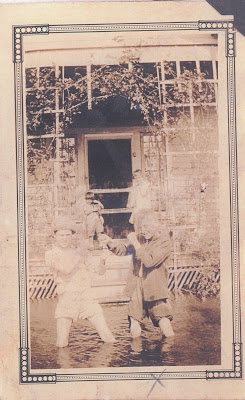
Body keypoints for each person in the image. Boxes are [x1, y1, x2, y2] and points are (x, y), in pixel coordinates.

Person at [45, 218, 115, 347]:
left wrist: (103, 260)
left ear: (72, 236)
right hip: (66, 298)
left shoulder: (80, 252)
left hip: (86, 297)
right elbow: (66, 269)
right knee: (62, 343)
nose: (65, 238)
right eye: (61, 235)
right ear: (54, 236)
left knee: (107, 336)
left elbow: (99, 272)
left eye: (68, 235)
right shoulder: (51, 254)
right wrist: (81, 252)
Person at [108, 209, 174, 339]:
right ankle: (135, 355)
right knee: (134, 319)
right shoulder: (140, 238)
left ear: (156, 224)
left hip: (154, 286)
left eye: (146, 226)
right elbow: (124, 250)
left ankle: (171, 352)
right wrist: (110, 244)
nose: (143, 230)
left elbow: (150, 261)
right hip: (137, 285)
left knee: (163, 320)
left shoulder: (164, 242)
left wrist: (137, 244)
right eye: (140, 227)